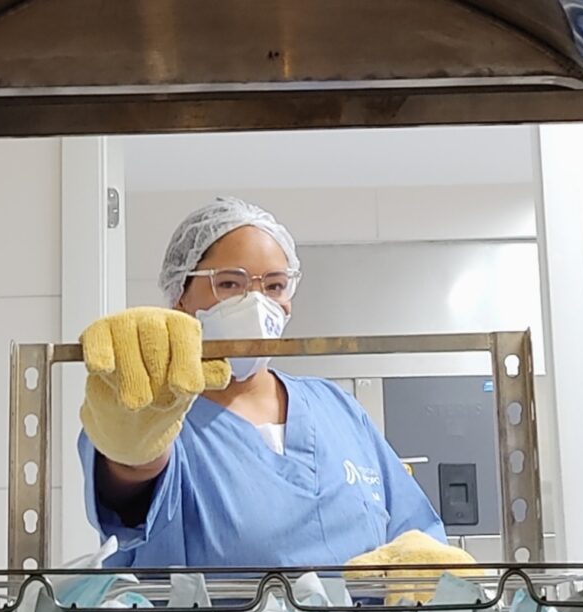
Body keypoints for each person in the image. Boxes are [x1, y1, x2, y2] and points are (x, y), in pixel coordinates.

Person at [78, 196, 476, 578]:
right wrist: (133, 451)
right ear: (180, 296)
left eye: (274, 286)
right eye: (230, 284)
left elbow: (414, 532)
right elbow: (130, 484)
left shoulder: (335, 407)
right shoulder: (152, 412)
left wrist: (424, 567)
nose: (256, 303)